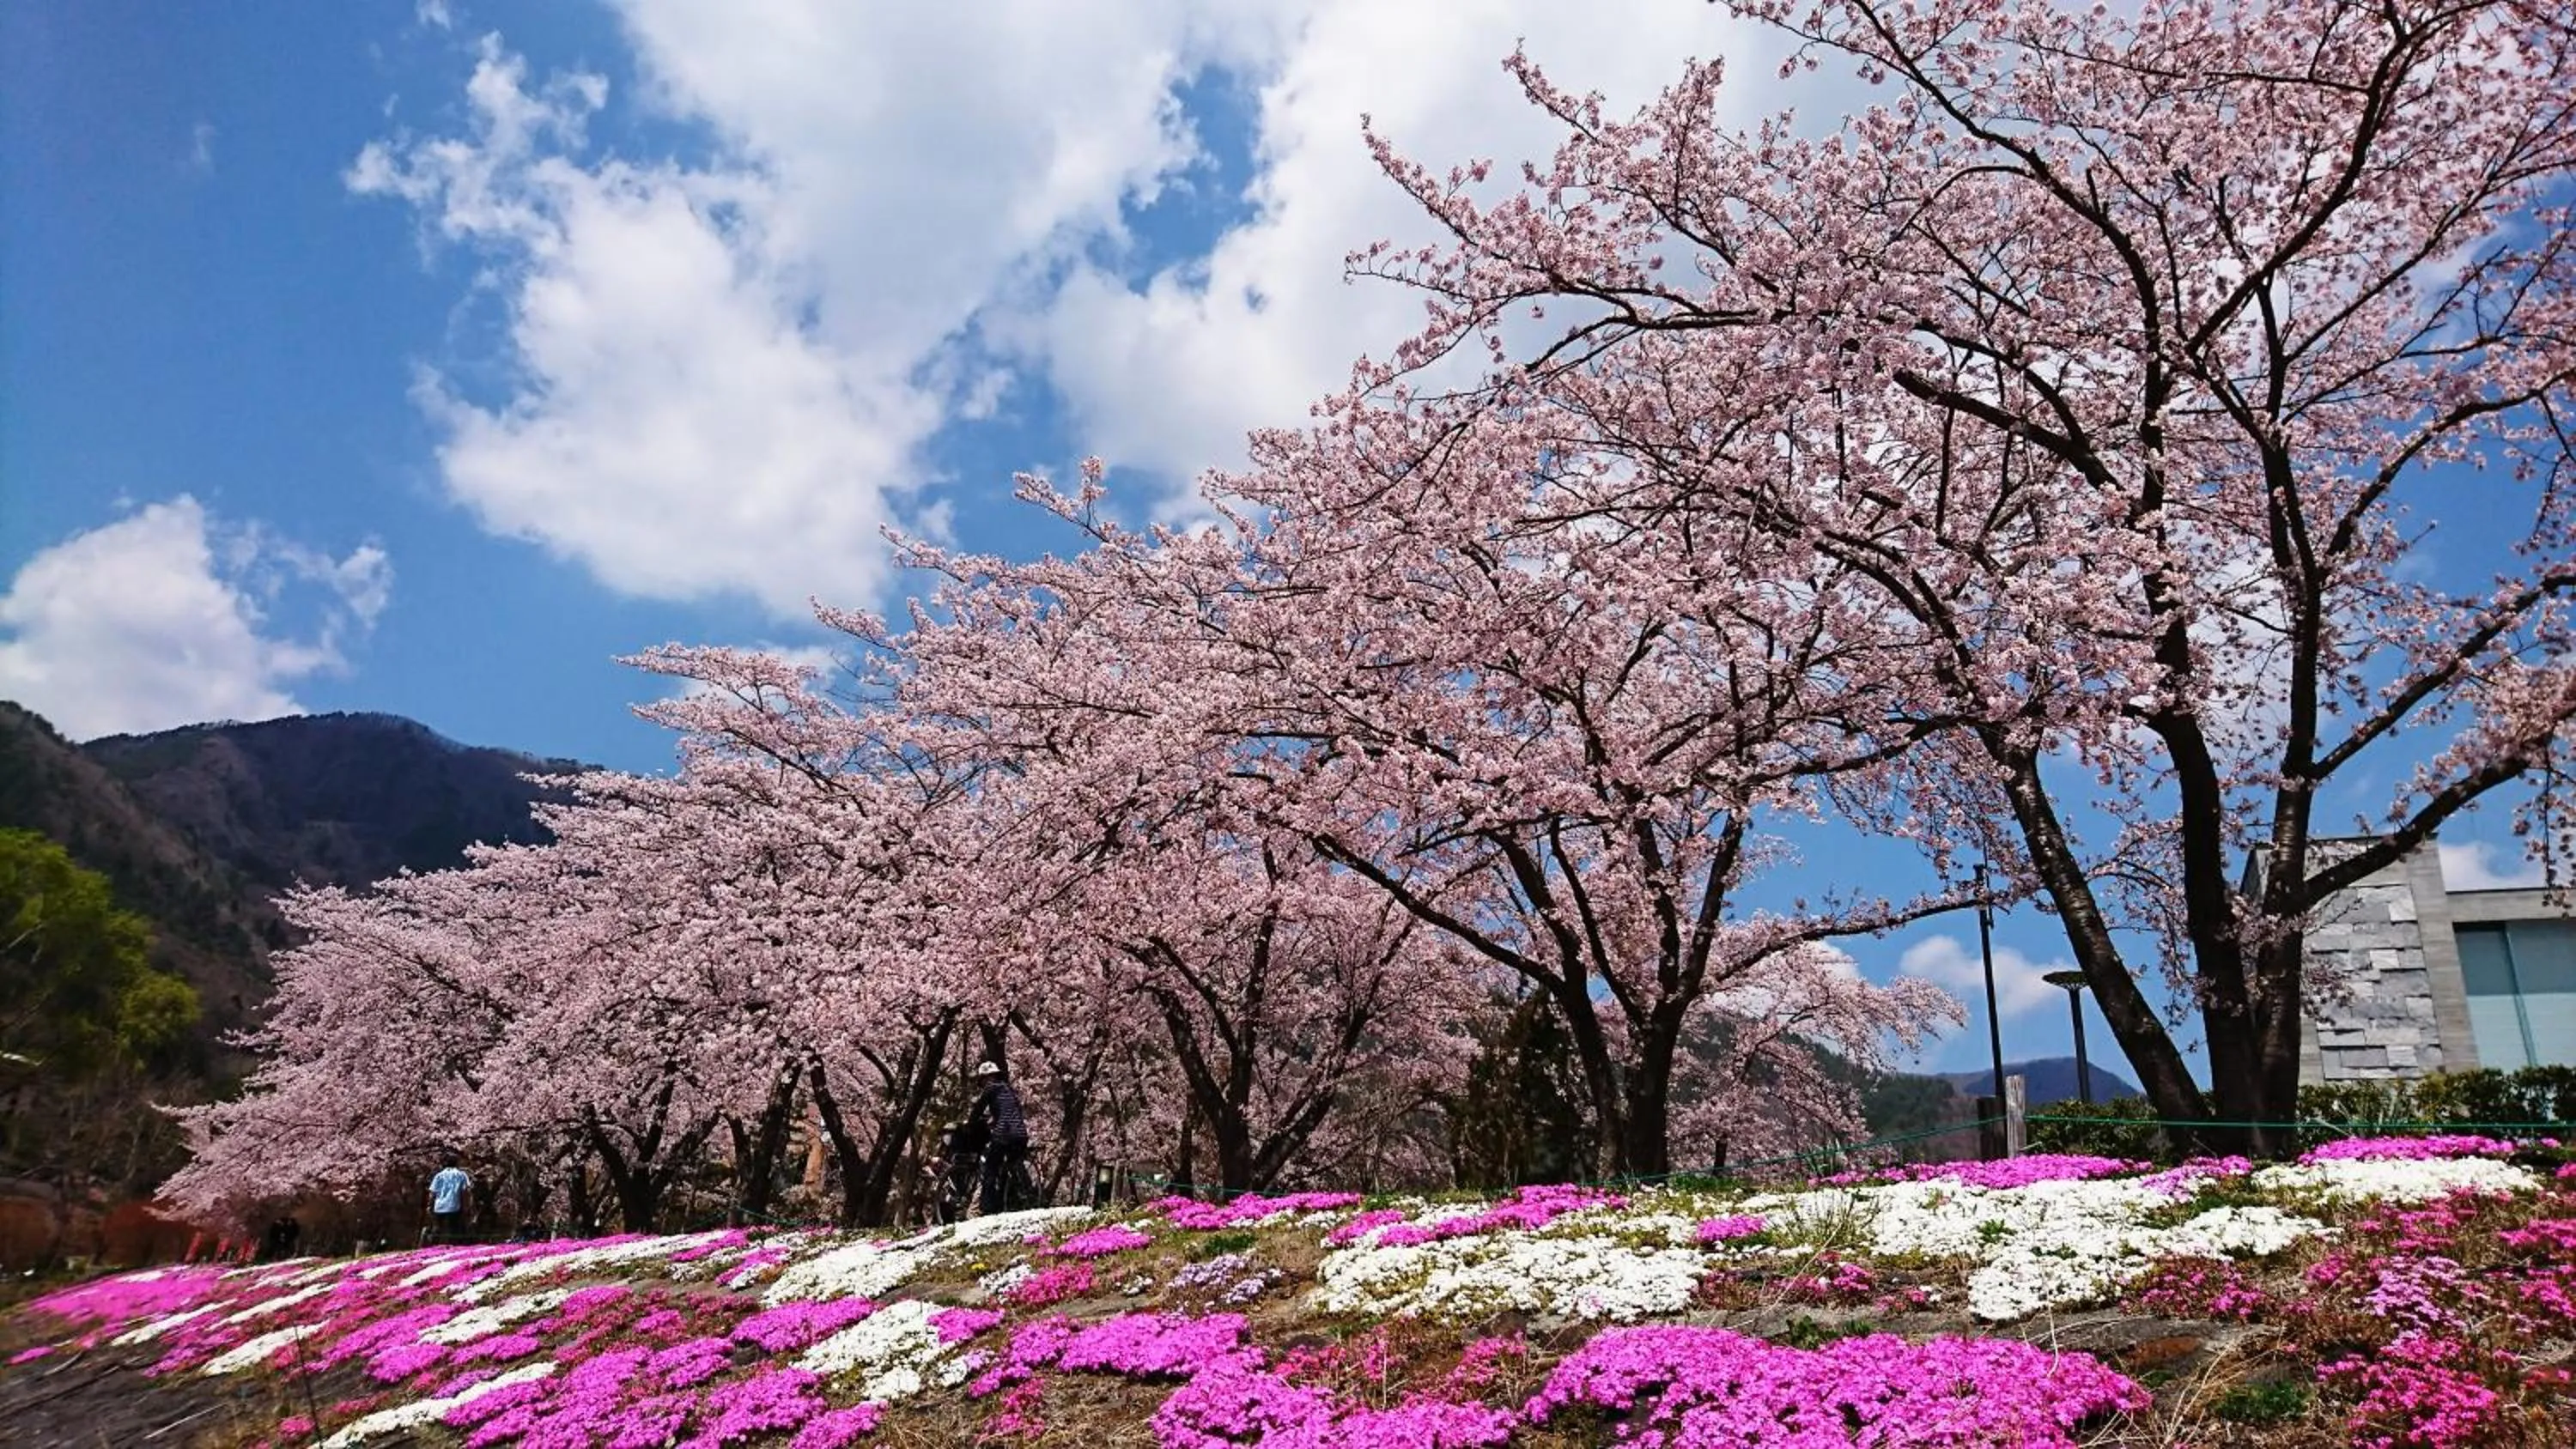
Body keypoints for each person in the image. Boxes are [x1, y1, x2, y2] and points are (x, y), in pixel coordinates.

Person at [965, 1060, 1030, 1216]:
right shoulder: (1008, 1090)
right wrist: (995, 1119)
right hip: (1021, 1134)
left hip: (1004, 1134)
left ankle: (987, 1208)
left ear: (986, 1078)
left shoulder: (991, 1089)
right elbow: (1010, 1111)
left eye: (983, 1079)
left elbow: (978, 1108)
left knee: (990, 1168)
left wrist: (969, 1123)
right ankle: (1018, 1194)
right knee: (1008, 1165)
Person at [427, 1154, 473, 1245]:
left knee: (438, 1230)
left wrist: (429, 1206)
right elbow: (465, 1192)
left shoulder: (439, 1176)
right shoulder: (461, 1175)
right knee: (454, 1232)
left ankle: (432, 1247)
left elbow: (432, 1193)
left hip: (439, 1207)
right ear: (457, 1163)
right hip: (454, 1206)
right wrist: (466, 1207)